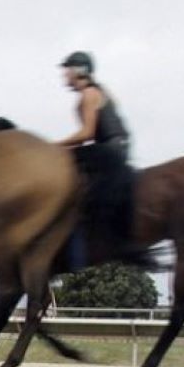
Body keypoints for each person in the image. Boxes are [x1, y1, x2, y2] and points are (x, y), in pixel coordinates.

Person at [57, 51, 132, 266]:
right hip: (110, 147)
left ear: (80, 71)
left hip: (111, 148)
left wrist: (54, 146)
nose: (65, 76)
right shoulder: (88, 96)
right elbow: (83, 140)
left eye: (68, 70)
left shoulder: (89, 94)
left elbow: (87, 133)